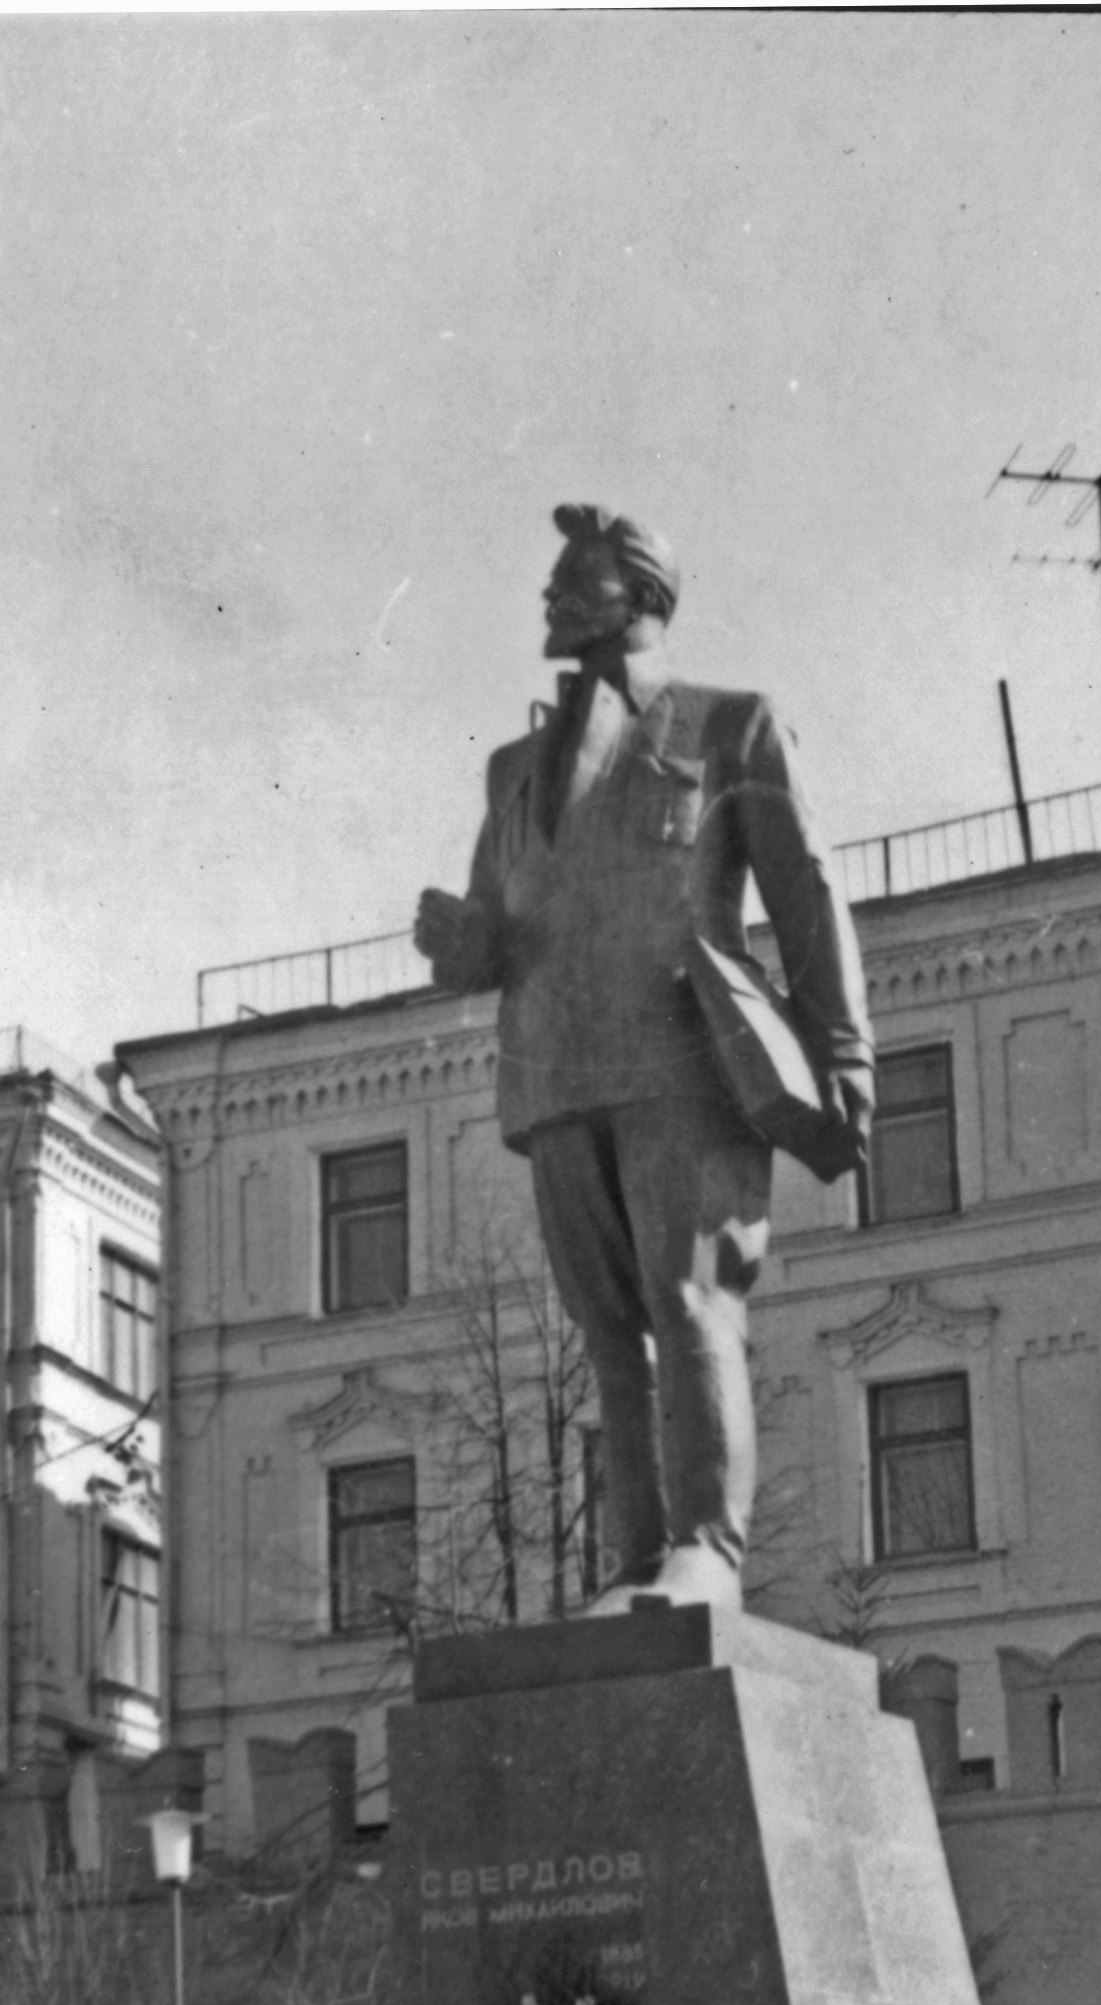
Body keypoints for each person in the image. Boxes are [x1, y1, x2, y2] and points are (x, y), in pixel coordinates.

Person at [415, 504, 874, 1613]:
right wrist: (463, 942)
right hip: (556, 1071)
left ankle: (704, 1552)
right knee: (608, 1331)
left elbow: (804, 890)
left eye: (572, 580)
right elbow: (496, 917)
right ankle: (635, 1565)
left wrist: (844, 1052)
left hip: (683, 1058)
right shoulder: (511, 769)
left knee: (690, 1297)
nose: (550, 598)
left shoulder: (728, 726)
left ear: (640, 596)